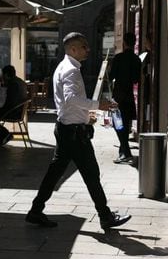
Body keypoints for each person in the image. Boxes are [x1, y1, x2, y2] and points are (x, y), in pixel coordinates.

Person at [26, 32, 131, 230]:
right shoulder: (71, 70)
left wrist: (85, 116)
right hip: (73, 133)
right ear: (73, 49)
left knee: (56, 173)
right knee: (91, 174)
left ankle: (35, 210)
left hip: (68, 128)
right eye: (84, 46)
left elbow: (69, 103)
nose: (88, 50)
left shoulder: (65, 66)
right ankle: (105, 216)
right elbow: (71, 99)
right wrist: (97, 105)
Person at [109, 32, 141, 164]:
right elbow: (136, 79)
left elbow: (110, 77)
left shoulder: (118, 58)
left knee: (117, 124)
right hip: (128, 95)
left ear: (124, 43)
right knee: (125, 124)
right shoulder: (136, 59)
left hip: (118, 95)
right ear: (134, 43)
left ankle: (125, 152)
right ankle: (124, 152)